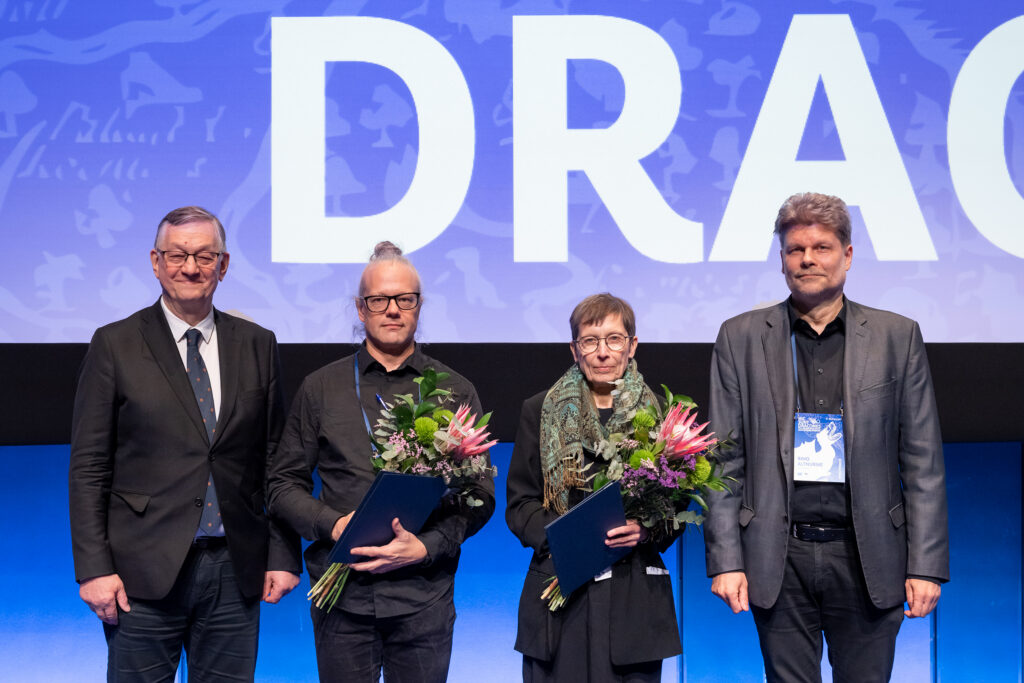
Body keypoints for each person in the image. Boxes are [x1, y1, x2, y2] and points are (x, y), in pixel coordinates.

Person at [704, 192, 949, 682]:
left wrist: (925, 565)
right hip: (778, 555)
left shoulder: (896, 336)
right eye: (795, 250)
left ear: (847, 255)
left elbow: (922, 460)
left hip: (868, 554)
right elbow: (724, 462)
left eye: (821, 248)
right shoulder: (740, 337)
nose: (807, 259)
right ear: (782, 260)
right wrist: (725, 560)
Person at [69, 206, 302, 681]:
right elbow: (89, 466)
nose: (190, 268)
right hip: (140, 573)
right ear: (155, 262)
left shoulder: (258, 343)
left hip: (234, 569)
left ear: (224, 264)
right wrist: (93, 569)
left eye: (204, 256)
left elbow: (275, 460)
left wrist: (282, 554)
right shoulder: (114, 344)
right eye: (177, 255)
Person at [267, 241, 495, 683]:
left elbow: (479, 495)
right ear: (360, 308)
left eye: (404, 299)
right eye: (379, 300)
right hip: (342, 595)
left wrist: (427, 546)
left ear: (419, 306)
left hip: (424, 596)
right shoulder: (321, 388)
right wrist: (333, 525)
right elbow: (282, 484)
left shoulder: (454, 390)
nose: (392, 309)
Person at [506, 293, 682, 682]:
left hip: (633, 605)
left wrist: (646, 529)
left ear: (632, 345)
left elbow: (677, 508)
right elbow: (520, 505)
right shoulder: (539, 410)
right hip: (559, 593)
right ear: (575, 349)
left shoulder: (661, 416)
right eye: (590, 341)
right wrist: (571, 542)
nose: (603, 352)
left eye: (614, 339)